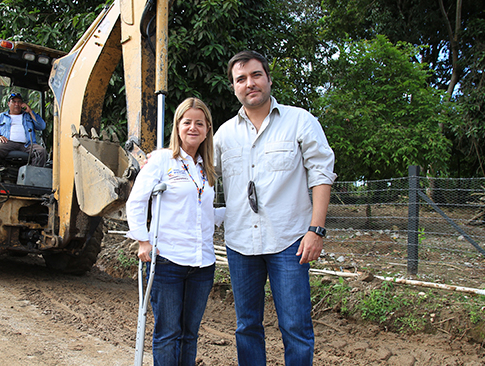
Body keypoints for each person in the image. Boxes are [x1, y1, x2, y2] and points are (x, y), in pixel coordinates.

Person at [214, 50, 337, 365]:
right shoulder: (224, 134)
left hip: (290, 241)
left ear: (268, 79)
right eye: (241, 79)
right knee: (246, 326)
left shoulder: (300, 121)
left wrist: (316, 229)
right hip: (241, 243)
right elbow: (199, 175)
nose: (249, 83)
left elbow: (322, 174)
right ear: (234, 87)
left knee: (295, 326)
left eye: (256, 75)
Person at [126, 97, 225, 366]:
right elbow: (136, 201)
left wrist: (234, 211)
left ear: (207, 129)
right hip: (167, 260)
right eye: (187, 122)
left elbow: (203, 214)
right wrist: (142, 241)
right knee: (168, 333)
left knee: (189, 335)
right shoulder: (160, 161)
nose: (193, 128)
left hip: (202, 264)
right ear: (178, 126)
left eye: (200, 123)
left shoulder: (206, 169)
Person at [0, 92, 48, 169]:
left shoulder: (28, 116)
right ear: (9, 103)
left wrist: (30, 111)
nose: (17, 104)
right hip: (8, 143)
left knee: (41, 152)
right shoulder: (1, 117)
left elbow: (42, 126)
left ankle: (31, 177)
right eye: (14, 102)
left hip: (27, 145)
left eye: (19, 102)